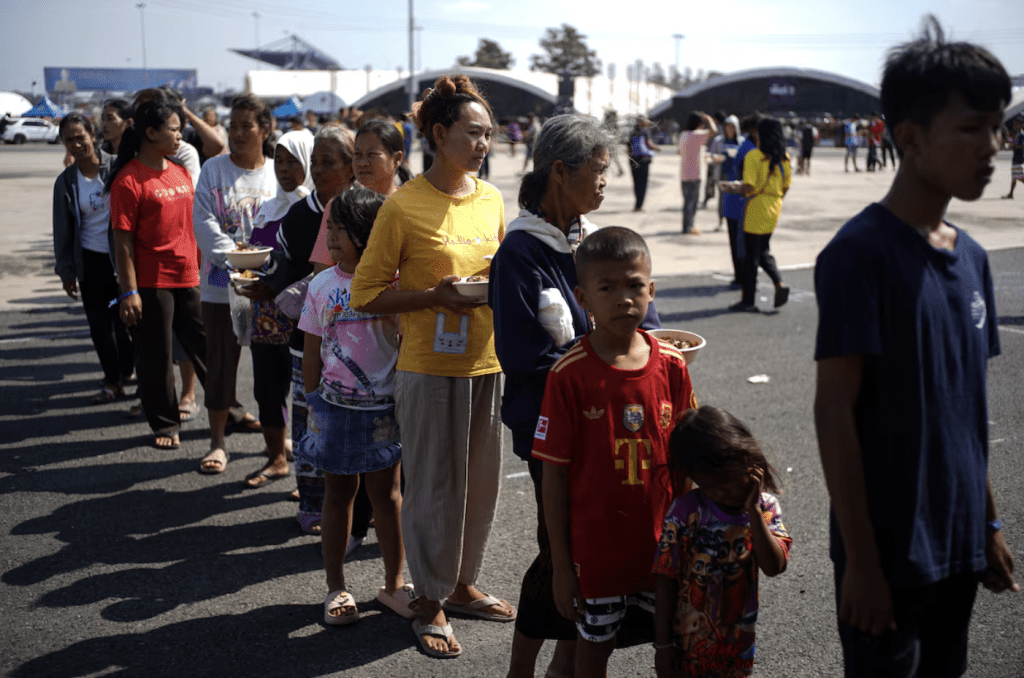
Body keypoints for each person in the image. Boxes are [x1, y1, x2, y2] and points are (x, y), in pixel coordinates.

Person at [813, 18, 1018, 678]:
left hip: (959, 540)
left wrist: (985, 524)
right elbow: (834, 413)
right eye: (973, 128)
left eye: (999, 127)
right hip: (890, 552)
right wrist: (863, 565)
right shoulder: (858, 255)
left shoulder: (974, 258)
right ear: (909, 138)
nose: (994, 146)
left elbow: (963, 410)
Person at [350, 75, 515, 659]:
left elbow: (499, 272)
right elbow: (365, 294)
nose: (483, 144)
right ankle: (429, 600)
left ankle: (462, 583)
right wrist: (433, 297)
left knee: (479, 486)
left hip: (485, 362)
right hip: (426, 366)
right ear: (440, 134)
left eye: (489, 134)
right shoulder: (403, 205)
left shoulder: (493, 198)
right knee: (432, 487)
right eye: (473, 133)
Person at [534, 226, 697, 676]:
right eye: (607, 288)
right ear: (582, 298)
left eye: (634, 285)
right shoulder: (568, 375)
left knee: (671, 647)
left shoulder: (672, 366)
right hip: (598, 556)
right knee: (594, 650)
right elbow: (554, 476)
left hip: (663, 550)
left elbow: (689, 458)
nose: (624, 298)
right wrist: (563, 567)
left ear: (652, 290)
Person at [491, 113, 612, 678]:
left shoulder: (584, 239)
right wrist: (603, 361)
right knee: (559, 553)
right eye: (598, 170)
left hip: (598, 421)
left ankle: (567, 665)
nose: (605, 182)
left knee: (586, 551)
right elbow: (522, 357)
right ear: (559, 173)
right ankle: (521, 669)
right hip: (549, 429)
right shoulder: (521, 251)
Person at [298, 188, 416, 626]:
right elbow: (311, 351)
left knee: (387, 496)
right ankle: (335, 588)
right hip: (332, 408)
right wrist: (313, 401)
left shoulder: (394, 285)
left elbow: (406, 340)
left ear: (369, 233)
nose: (330, 234)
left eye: (340, 227)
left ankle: (394, 584)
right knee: (338, 495)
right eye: (329, 225)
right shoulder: (322, 285)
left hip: (384, 408)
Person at [261, 124, 357, 533]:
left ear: (351, 166)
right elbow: (280, 268)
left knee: (357, 429)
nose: (317, 170)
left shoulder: (364, 210)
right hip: (308, 343)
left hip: (358, 345)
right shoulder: (298, 215)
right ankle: (313, 504)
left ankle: (357, 511)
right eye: (314, 161)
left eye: (328, 162)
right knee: (309, 426)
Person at [653, 406, 792, 678]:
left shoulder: (765, 509)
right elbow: (664, 579)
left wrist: (753, 512)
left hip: (737, 649)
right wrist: (662, 646)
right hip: (687, 650)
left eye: (730, 480)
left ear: (746, 460)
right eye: (712, 485)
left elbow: (774, 566)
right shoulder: (685, 512)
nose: (726, 492)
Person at [211, 129, 316, 479]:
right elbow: (254, 255)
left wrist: (275, 286)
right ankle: (276, 460)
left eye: (294, 162)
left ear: (309, 163)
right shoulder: (267, 210)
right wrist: (245, 275)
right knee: (268, 390)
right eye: (280, 161)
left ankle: (310, 472)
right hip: (266, 317)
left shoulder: (318, 209)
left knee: (308, 397)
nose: (284, 169)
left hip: (305, 319)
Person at [105, 97, 207, 450]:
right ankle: (165, 423)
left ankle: (230, 408)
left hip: (189, 275)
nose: (180, 136)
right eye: (174, 129)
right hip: (152, 282)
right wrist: (128, 292)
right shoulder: (128, 180)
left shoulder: (178, 169)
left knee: (207, 347)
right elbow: (122, 244)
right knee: (158, 356)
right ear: (151, 132)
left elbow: (191, 228)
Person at [192, 94, 278, 478]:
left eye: (247, 126)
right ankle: (217, 442)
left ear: (265, 129)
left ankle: (275, 444)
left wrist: (265, 265)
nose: (238, 133)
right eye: (234, 125)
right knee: (221, 366)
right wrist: (236, 257)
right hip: (218, 287)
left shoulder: (280, 172)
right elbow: (204, 222)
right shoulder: (213, 169)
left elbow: (292, 221)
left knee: (270, 369)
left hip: (267, 289)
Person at [53, 112, 134, 404]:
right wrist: (66, 272)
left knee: (126, 324)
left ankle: (128, 372)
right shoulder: (66, 182)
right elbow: (62, 229)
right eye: (69, 140)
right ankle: (112, 381)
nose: (76, 144)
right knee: (100, 327)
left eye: (80, 137)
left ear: (92, 135)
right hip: (90, 262)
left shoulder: (117, 167)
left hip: (123, 260)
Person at [724, 117, 791, 313]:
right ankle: (778, 283)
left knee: (750, 255)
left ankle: (749, 300)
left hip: (755, 208)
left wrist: (733, 189)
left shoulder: (754, 156)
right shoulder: (784, 158)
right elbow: (786, 186)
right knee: (762, 250)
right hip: (774, 207)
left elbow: (749, 186)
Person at [678, 111, 717, 234]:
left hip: (684, 173)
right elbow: (714, 131)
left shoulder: (683, 134)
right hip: (694, 174)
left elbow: (679, 152)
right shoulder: (697, 135)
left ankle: (688, 225)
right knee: (692, 203)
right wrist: (708, 118)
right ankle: (688, 227)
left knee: (687, 202)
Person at [718, 115, 746, 287]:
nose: (729, 130)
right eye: (727, 127)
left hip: (741, 194)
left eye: (732, 127)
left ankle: (744, 275)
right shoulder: (720, 142)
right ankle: (738, 274)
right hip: (728, 192)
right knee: (733, 237)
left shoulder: (743, 143)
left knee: (742, 239)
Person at [628, 117, 658, 212]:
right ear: (641, 122)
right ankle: (639, 205)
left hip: (633, 161)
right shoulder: (645, 132)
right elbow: (649, 144)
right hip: (643, 161)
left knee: (636, 183)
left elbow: (628, 146)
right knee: (643, 183)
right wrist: (656, 148)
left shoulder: (632, 132)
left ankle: (637, 204)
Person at [1002, 116, 1023, 199]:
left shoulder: (1021, 134)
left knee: (1018, 176)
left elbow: (1021, 146)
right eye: (1014, 124)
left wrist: (1013, 145)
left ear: (1020, 125)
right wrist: (1009, 139)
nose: (1014, 125)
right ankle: (1010, 194)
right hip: (1016, 157)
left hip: (1018, 157)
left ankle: (1010, 194)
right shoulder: (1017, 134)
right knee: (1014, 177)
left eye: (1017, 124)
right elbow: (1012, 142)